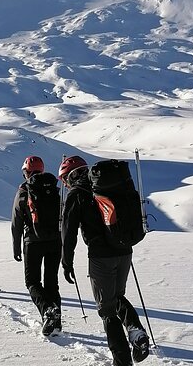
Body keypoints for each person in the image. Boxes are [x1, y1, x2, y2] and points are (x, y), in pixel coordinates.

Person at [59, 156, 150, 365]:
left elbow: (68, 233)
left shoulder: (76, 194)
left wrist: (67, 262)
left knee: (107, 310)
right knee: (118, 296)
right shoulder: (107, 185)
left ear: (70, 176)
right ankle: (136, 332)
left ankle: (122, 361)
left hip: (101, 256)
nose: (65, 184)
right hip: (124, 250)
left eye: (65, 180)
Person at [11, 155, 63, 335]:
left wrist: (16, 247)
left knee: (32, 282)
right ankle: (56, 322)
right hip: (56, 242)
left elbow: (16, 222)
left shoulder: (24, 191)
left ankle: (48, 312)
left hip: (32, 242)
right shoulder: (54, 189)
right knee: (52, 283)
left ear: (27, 172)